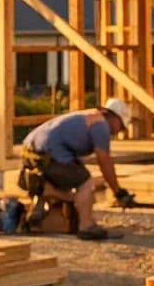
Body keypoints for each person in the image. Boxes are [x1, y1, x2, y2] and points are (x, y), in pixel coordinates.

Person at [18, 98, 137, 239]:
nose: (119, 131)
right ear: (114, 117)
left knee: (73, 175)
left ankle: (43, 193)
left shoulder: (89, 116)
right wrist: (118, 192)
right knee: (85, 181)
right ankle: (86, 226)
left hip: (30, 152)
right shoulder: (101, 125)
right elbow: (105, 162)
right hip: (47, 154)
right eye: (121, 127)